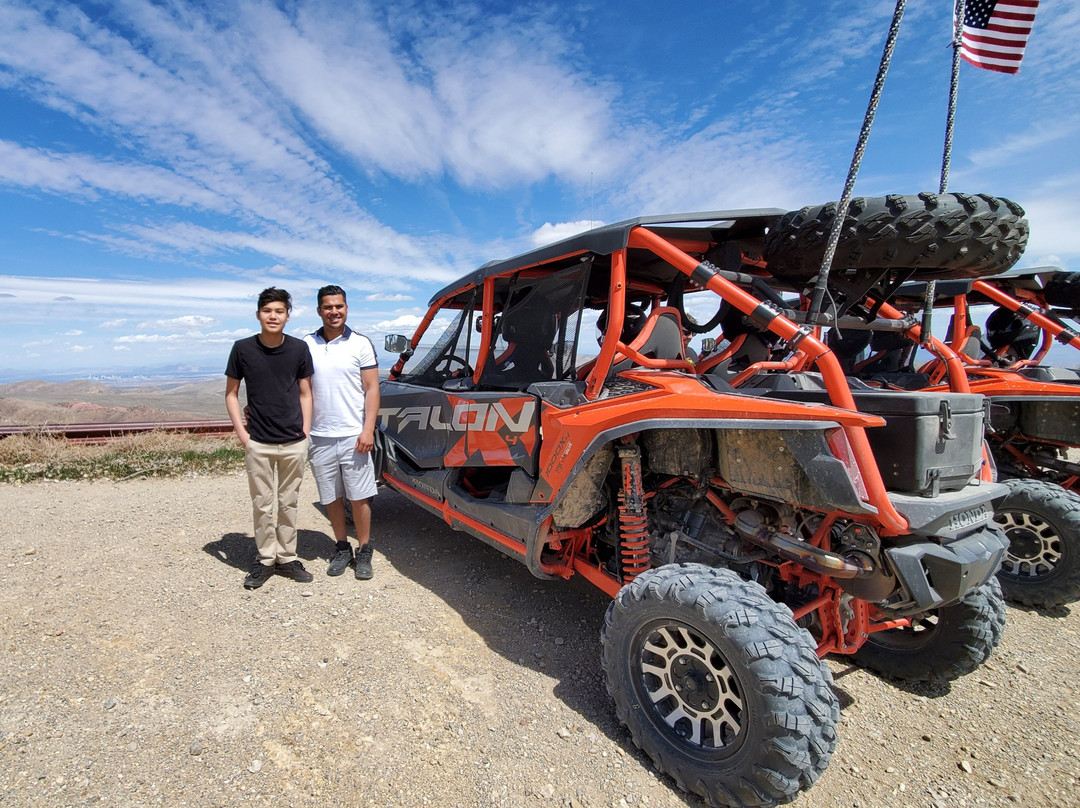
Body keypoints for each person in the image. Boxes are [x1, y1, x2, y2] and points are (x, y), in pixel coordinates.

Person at [225, 287, 314, 590]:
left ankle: (286, 557)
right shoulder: (242, 349)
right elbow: (232, 394)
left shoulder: (299, 349)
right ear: (258, 314)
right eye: (267, 311)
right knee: (262, 504)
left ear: (288, 316)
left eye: (279, 311)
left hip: (294, 441)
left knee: (288, 502)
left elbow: (305, 392)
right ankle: (265, 559)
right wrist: (242, 434)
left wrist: (306, 431)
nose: (273, 316)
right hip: (259, 442)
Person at [303, 285, 381, 580]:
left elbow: (372, 388)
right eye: (328, 307)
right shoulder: (306, 344)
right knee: (331, 496)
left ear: (346, 308)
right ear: (319, 310)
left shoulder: (360, 344)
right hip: (319, 435)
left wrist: (368, 429)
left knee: (359, 496)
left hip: (354, 434)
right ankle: (341, 547)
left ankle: (364, 550)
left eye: (339, 306)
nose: (334, 311)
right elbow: (300, 389)